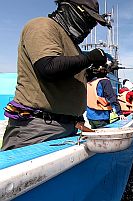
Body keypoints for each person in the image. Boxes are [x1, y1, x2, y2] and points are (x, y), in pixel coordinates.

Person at [1, 0, 110, 151]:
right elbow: (48, 68)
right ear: (70, 9)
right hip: (38, 128)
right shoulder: (42, 25)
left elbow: (72, 78)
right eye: (89, 19)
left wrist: (95, 72)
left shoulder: (72, 45)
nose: (90, 27)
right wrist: (89, 58)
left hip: (68, 126)